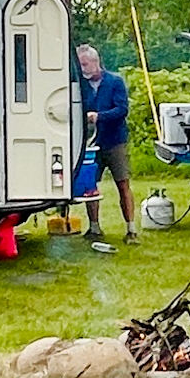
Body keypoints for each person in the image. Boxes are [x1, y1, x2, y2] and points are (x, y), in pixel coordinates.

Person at [75, 42, 138, 247]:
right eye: (80, 64)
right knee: (89, 186)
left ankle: (131, 229)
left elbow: (122, 110)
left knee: (123, 183)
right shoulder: (80, 85)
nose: (82, 68)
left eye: (84, 64)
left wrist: (98, 116)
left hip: (114, 141)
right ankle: (94, 227)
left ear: (95, 62)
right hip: (90, 144)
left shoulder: (115, 82)